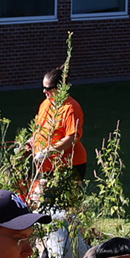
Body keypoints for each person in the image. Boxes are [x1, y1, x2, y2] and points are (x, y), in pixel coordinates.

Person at [30, 66, 87, 196]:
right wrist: (30, 143)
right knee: (38, 198)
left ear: (60, 87)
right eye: (43, 88)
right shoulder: (46, 104)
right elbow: (40, 130)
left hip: (69, 164)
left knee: (66, 204)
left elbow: (72, 138)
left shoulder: (70, 108)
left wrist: (47, 152)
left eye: (48, 88)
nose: (44, 91)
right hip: (48, 165)